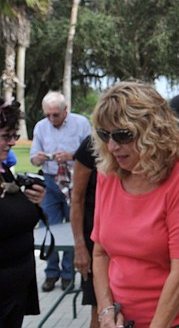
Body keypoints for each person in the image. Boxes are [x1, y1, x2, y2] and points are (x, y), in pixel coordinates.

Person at [91, 81, 179, 328]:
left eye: (122, 135)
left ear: (153, 132)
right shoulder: (108, 173)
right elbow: (100, 251)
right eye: (105, 135)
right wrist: (105, 312)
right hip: (123, 317)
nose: (112, 146)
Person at [29, 90, 91, 291]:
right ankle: (51, 273)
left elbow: (92, 153)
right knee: (50, 227)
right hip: (50, 181)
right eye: (47, 115)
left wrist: (71, 155)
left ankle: (68, 274)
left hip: (75, 181)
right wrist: (39, 158)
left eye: (55, 114)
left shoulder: (80, 123)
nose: (51, 119)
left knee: (74, 228)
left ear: (66, 111)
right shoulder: (41, 127)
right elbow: (33, 157)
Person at [0, 99, 47, 327]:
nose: (11, 142)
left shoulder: (4, 172)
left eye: (13, 136)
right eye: (5, 136)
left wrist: (34, 202)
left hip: (17, 284)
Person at [71, 135, 98, 328]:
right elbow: (77, 199)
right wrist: (80, 246)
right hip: (94, 240)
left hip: (127, 241)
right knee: (99, 308)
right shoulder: (91, 146)